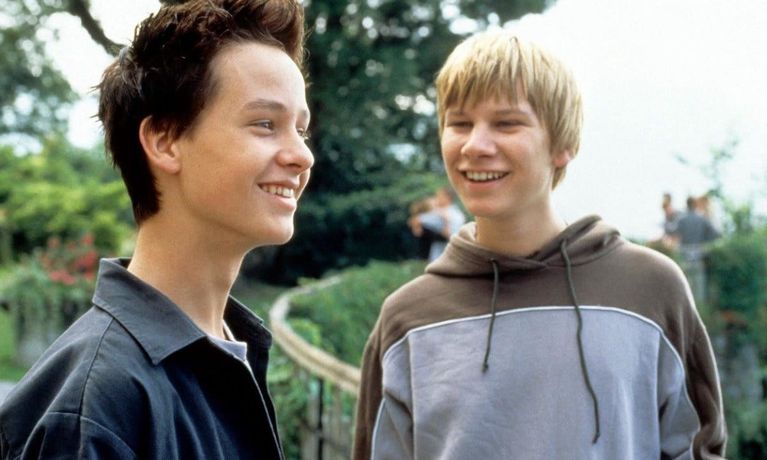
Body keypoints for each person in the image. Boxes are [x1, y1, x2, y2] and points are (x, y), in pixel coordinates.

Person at [353, 30, 726, 459]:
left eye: (506, 123)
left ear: (563, 145)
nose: (475, 145)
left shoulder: (650, 290)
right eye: (459, 124)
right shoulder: (407, 319)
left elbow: (697, 447)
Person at [0, 0, 312, 458]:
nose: (302, 156)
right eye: (265, 124)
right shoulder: (99, 407)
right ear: (164, 141)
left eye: (301, 130)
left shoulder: (226, 351)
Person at [673, 196, 721, 303]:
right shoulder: (702, 219)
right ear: (695, 205)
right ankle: (700, 308)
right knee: (699, 287)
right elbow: (716, 234)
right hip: (699, 255)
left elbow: (673, 232)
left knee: (684, 285)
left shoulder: (681, 219)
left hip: (684, 255)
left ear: (686, 205)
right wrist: (705, 240)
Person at [408, 187, 466, 261]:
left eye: (439, 196)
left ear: (447, 198)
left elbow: (415, 220)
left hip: (441, 254)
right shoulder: (459, 214)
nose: (436, 198)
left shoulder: (441, 214)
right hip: (456, 254)